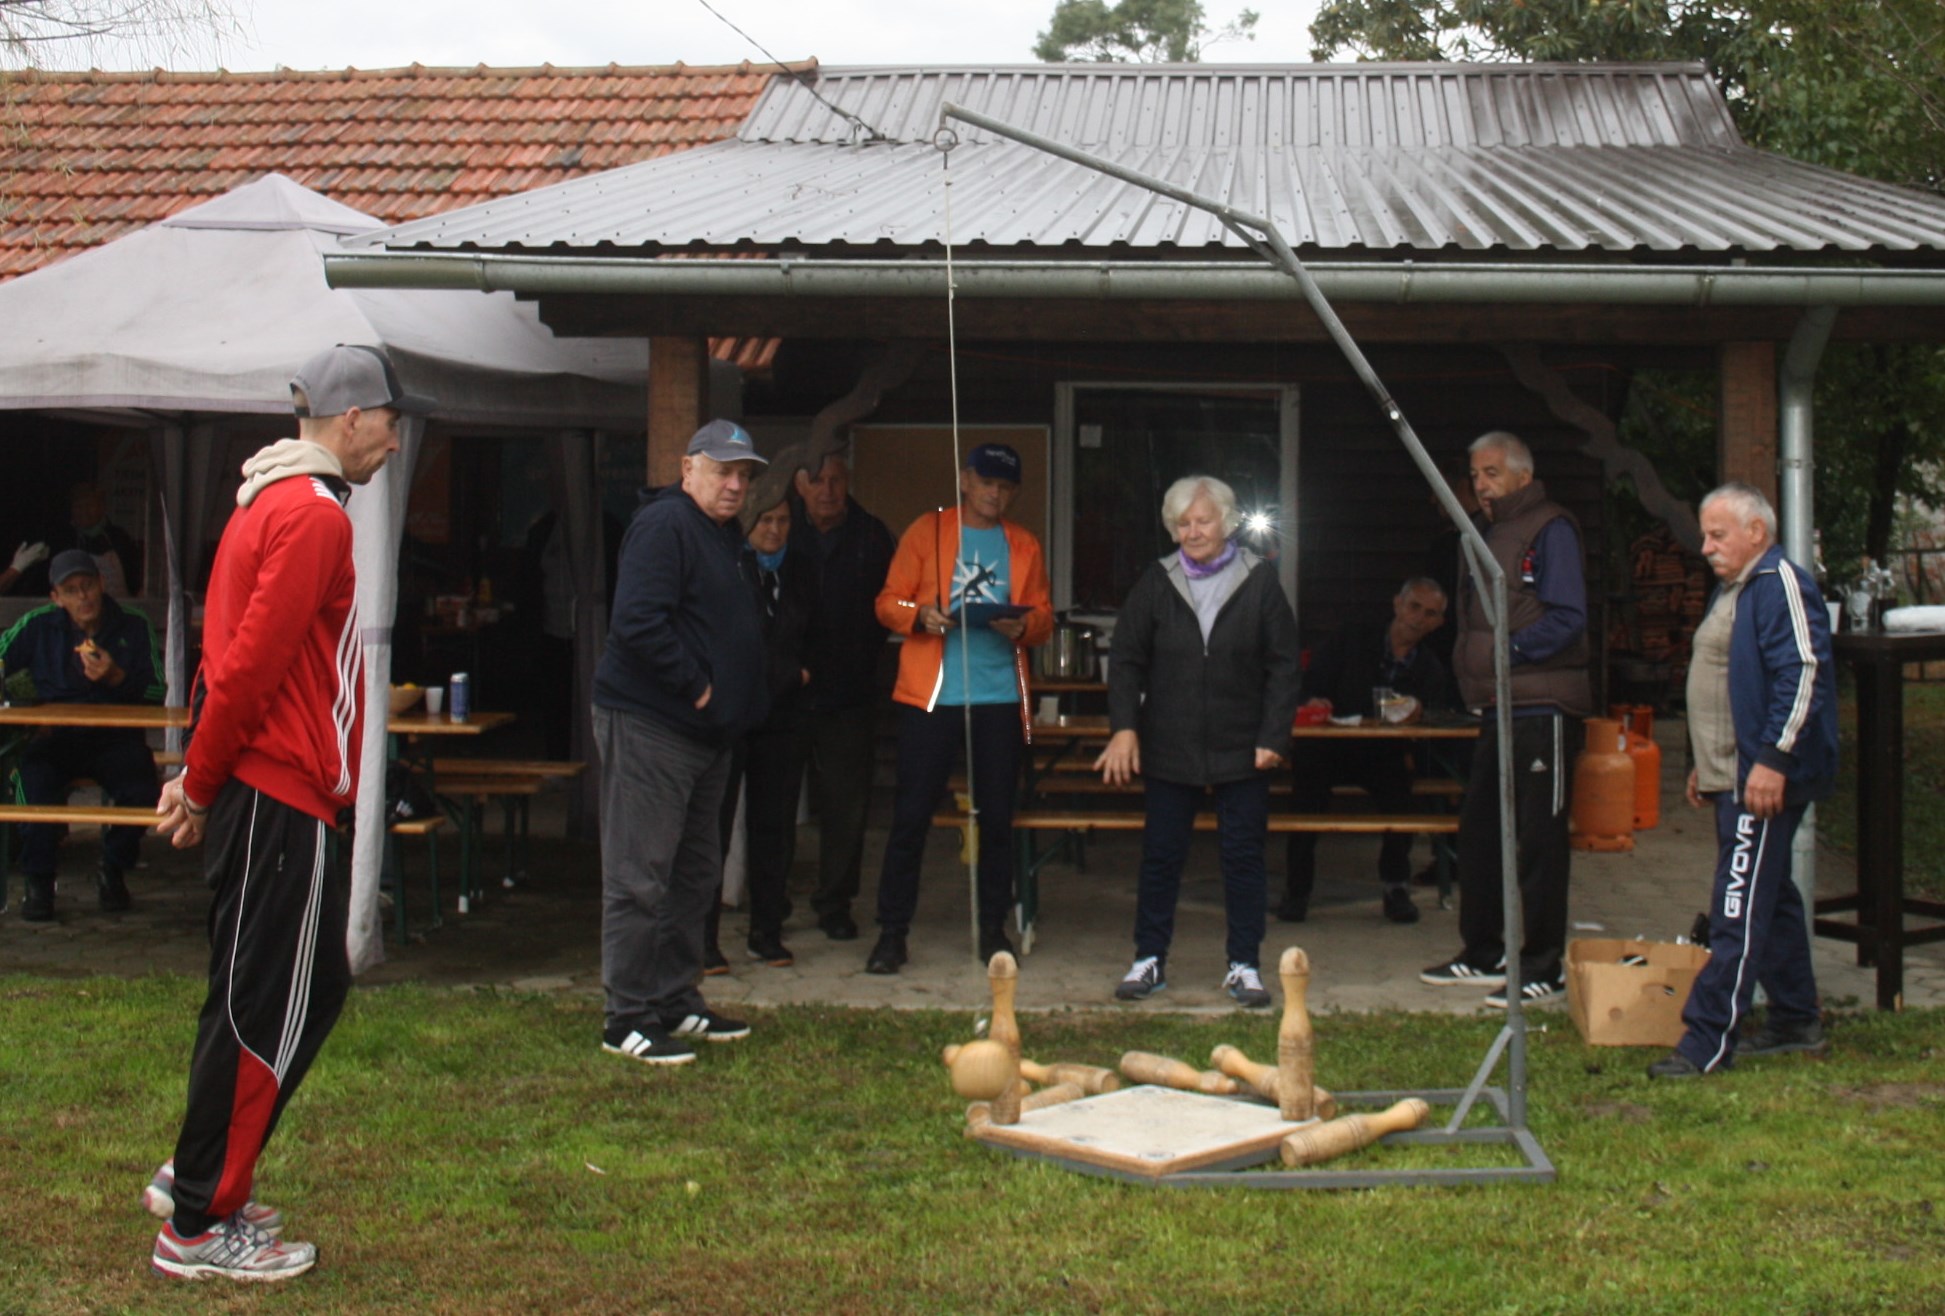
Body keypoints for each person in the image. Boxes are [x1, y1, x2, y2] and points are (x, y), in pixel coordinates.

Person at [147, 343, 430, 1282]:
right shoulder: (309, 518)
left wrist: (204, 779)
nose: (394, 441)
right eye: (389, 422)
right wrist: (200, 780)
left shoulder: (269, 504)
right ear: (351, 419)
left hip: (263, 787)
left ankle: (199, 1171)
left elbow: (227, 661)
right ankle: (199, 1219)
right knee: (264, 1004)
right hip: (280, 793)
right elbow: (248, 668)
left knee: (287, 992)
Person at [593, 419, 769, 1066]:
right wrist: (696, 686)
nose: (733, 485)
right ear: (687, 466)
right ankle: (626, 1016)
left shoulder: (719, 536)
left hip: (706, 736)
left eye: (743, 475)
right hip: (653, 724)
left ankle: (675, 998)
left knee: (694, 874)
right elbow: (637, 620)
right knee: (640, 875)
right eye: (722, 471)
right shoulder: (665, 525)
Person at [1648, 483, 1837, 1079]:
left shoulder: (1779, 584)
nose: (1705, 547)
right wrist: (1706, 762)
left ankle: (1705, 1043)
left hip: (1762, 779)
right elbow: (1729, 685)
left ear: (1757, 532)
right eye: (1705, 534)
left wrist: (1773, 761)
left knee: (1736, 905)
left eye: (1717, 534)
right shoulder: (1739, 589)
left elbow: (1803, 674)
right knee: (1771, 896)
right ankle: (1795, 1020)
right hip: (1735, 775)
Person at [1100, 475, 1300, 1008]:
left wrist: (1272, 736)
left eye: (1203, 520)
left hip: (1243, 746)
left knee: (1243, 858)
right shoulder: (1156, 581)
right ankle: (1148, 960)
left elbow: (1284, 665)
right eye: (1182, 523)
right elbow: (1125, 660)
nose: (1193, 531)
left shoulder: (1259, 581)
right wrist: (1124, 728)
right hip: (1170, 744)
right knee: (1161, 856)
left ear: (1228, 522)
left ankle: (1244, 966)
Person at [1421, 431, 1593, 1009]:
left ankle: (1543, 964)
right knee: (1482, 831)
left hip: (1542, 707)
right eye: (1475, 475)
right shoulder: (1490, 532)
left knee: (1538, 839)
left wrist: (1508, 655)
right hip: (1498, 705)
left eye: (1492, 473)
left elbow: (1568, 615)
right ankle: (1484, 951)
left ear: (1523, 474)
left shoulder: (1551, 528)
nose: (1482, 484)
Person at [866, 443, 1053, 974]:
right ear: (965, 480)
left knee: (996, 818)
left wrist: (1026, 627)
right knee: (910, 817)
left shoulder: (1024, 544)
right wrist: (919, 616)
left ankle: (992, 928)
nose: (996, 493)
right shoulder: (928, 530)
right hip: (934, 697)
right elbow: (888, 602)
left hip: (998, 696)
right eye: (987, 482)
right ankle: (892, 933)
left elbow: (1043, 615)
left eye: (1006, 486)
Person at [0, 549, 163, 919]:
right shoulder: (38, 625)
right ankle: (38, 881)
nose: (83, 597)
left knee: (141, 790)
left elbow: (158, 691)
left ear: (102, 585)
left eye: (88, 586)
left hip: (115, 739)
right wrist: (22, 710)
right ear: (57, 597)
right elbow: (1, 660)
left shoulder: (132, 625)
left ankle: (113, 868)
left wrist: (116, 676)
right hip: (55, 736)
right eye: (71, 590)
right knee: (32, 786)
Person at [1280, 576, 1451, 926]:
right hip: (1329, 745)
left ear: (1437, 623)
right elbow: (1312, 681)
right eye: (1414, 606)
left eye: (1429, 613)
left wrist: (1418, 712)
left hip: (1381, 751)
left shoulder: (1430, 666)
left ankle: (1395, 887)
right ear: (1397, 604)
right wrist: (1314, 699)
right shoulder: (1352, 637)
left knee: (1401, 800)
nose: (1418, 618)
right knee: (1305, 798)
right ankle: (1296, 891)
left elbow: (1437, 716)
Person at [706, 468, 817, 970]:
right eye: (765, 520)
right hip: (733, 714)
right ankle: (703, 939)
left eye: (784, 520)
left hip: (786, 714)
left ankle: (766, 931)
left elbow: (820, 630)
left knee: (774, 828)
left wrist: (801, 674)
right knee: (714, 826)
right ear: (747, 523)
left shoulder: (801, 569)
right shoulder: (728, 569)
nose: (775, 530)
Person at [790, 448, 895, 942]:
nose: (828, 490)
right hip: (786, 692)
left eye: (835, 479)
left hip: (851, 693)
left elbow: (891, 608)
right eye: (817, 480)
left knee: (845, 808)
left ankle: (835, 903)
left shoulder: (872, 536)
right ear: (799, 485)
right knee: (776, 804)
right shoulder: (778, 527)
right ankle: (769, 905)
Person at [1, 482, 144, 597]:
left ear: (102, 506)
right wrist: (18, 568)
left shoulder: (120, 538)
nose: (84, 512)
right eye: (79, 506)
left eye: (89, 505)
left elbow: (136, 582)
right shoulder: (61, 539)